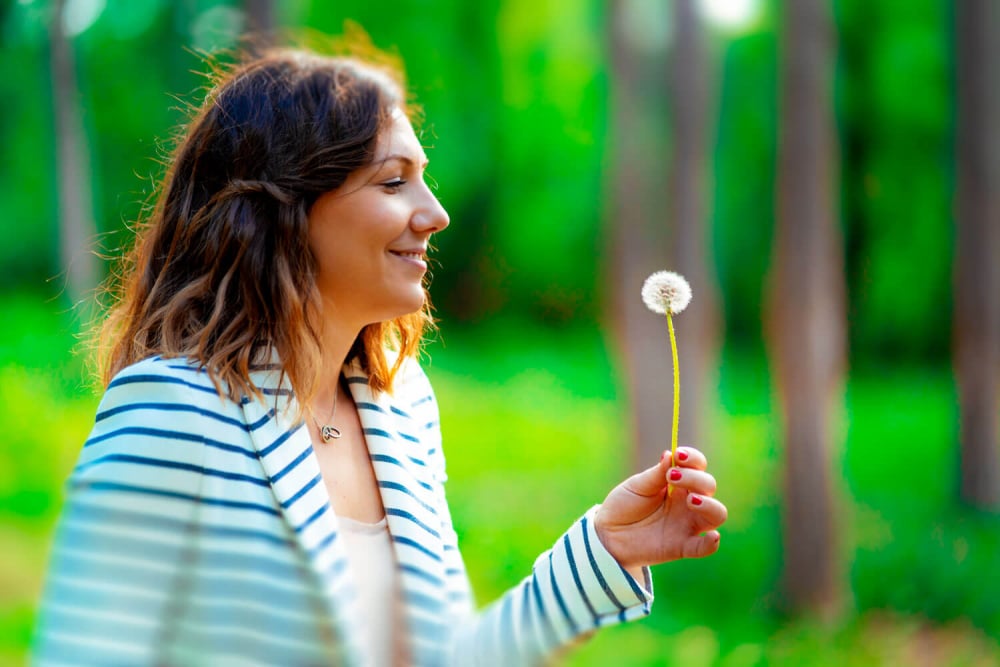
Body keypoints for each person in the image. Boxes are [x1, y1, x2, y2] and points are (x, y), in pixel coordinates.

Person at [32, 42, 728, 667]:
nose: (435, 212)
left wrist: (606, 548)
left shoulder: (402, 410)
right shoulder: (170, 409)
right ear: (285, 208)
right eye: (394, 181)